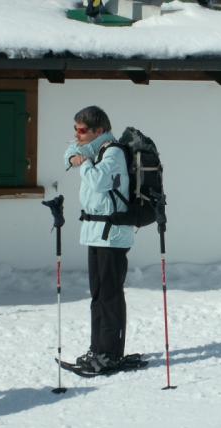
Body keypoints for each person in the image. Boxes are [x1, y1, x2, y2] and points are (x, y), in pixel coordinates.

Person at [64, 105, 134, 373]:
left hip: (111, 234)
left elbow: (98, 182)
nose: (77, 135)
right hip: (96, 232)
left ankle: (110, 354)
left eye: (82, 130)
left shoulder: (113, 153)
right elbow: (70, 152)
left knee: (109, 295)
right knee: (98, 295)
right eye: (75, 129)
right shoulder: (96, 149)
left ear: (99, 130)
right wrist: (75, 156)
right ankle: (98, 348)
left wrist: (83, 162)